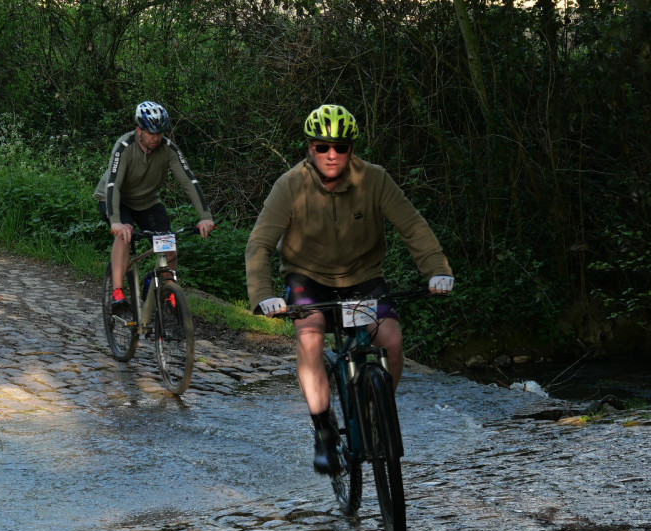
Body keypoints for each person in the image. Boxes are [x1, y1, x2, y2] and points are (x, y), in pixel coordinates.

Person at [244, 104, 454, 475]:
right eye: (322, 146)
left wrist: (436, 269)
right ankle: (324, 429)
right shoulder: (290, 186)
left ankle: (378, 413)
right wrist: (263, 293)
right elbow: (259, 243)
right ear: (310, 148)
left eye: (340, 147)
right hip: (308, 278)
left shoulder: (375, 180)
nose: (331, 155)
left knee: (390, 340)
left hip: (362, 278)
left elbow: (413, 226)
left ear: (351, 149)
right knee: (310, 338)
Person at [95, 101, 216, 315]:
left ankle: (169, 292)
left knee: (167, 240)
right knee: (125, 234)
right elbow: (114, 184)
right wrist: (115, 221)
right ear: (139, 129)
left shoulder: (168, 149)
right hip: (116, 200)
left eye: (160, 132)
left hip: (147, 202)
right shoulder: (124, 146)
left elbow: (189, 181)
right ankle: (117, 293)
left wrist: (205, 216)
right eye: (152, 133)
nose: (157, 138)